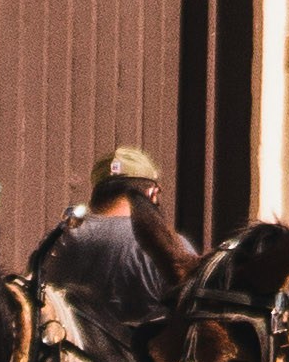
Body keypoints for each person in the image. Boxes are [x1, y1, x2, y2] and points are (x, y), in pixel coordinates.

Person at [58, 137, 200, 325]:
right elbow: (195, 316)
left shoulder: (61, 238)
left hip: (72, 351)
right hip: (140, 352)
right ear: (151, 192)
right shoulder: (172, 247)